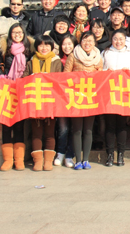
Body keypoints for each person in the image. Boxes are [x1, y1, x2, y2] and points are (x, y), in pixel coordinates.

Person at [65, 32, 104, 169]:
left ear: (95, 43)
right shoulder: (73, 56)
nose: (87, 43)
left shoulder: (98, 57)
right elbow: (65, 76)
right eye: (85, 40)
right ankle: (78, 160)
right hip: (76, 97)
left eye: (90, 41)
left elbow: (101, 77)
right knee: (77, 129)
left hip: (90, 97)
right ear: (80, 41)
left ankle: (86, 159)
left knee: (88, 129)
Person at [23, 35, 62, 171]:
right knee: (36, 132)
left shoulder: (56, 61)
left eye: (47, 45)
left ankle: (48, 161)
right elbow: (24, 79)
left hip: (51, 101)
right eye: (41, 45)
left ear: (51, 47)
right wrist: (31, 78)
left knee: (50, 132)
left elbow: (60, 79)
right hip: (35, 101)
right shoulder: (31, 61)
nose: (44, 48)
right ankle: (38, 161)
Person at [0, 23, 32, 171]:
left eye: (20, 32)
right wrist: (0, 76)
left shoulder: (29, 51)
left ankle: (19, 159)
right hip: (6, 90)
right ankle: (7, 160)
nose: (17, 35)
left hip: (22, 90)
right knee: (6, 125)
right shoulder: (4, 50)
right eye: (14, 32)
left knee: (19, 125)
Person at [102, 29, 130, 167]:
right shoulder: (105, 53)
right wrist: (106, 72)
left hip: (124, 94)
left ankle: (121, 154)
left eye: (121, 39)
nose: (118, 42)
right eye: (115, 39)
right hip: (109, 93)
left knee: (122, 125)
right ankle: (110, 154)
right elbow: (99, 71)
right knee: (110, 125)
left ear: (125, 40)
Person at [54, 35, 77, 167]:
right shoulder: (56, 60)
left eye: (69, 44)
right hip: (60, 98)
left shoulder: (78, 59)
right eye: (64, 44)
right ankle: (60, 152)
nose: (67, 47)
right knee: (62, 127)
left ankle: (69, 155)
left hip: (75, 97)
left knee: (73, 128)